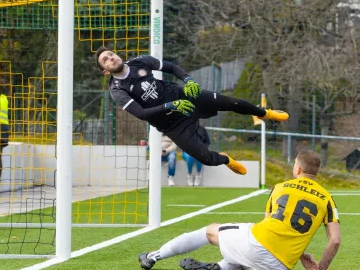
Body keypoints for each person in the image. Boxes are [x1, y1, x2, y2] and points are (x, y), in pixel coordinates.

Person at [138, 150, 341, 270]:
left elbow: (270, 224)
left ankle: (154, 256)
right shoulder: (327, 198)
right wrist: (320, 269)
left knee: (211, 231)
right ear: (316, 172)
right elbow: (335, 241)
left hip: (259, 246)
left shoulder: (281, 187)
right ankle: (220, 267)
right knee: (245, 256)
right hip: (280, 267)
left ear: (297, 169)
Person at [96, 47, 289, 176]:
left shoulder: (140, 61)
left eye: (111, 54)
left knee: (231, 102)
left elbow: (172, 68)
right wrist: (170, 106)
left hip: (185, 97)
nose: (111, 58)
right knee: (206, 158)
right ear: (105, 71)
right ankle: (226, 159)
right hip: (172, 124)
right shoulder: (117, 90)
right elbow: (141, 114)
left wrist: (188, 80)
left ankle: (264, 113)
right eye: (106, 60)